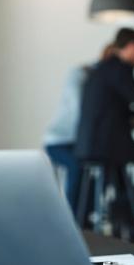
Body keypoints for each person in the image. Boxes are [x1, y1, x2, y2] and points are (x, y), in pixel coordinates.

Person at [74, 28, 134, 204]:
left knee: (128, 173)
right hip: (109, 147)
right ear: (133, 46)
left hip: (90, 145)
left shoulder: (103, 68)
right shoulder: (119, 69)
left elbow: (123, 108)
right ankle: (126, 203)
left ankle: (124, 207)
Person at [43, 44, 115, 213]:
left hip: (80, 142)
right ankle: (74, 219)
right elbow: (80, 111)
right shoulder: (80, 74)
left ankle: (89, 217)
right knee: (77, 166)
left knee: (106, 162)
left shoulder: (103, 80)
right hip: (59, 141)